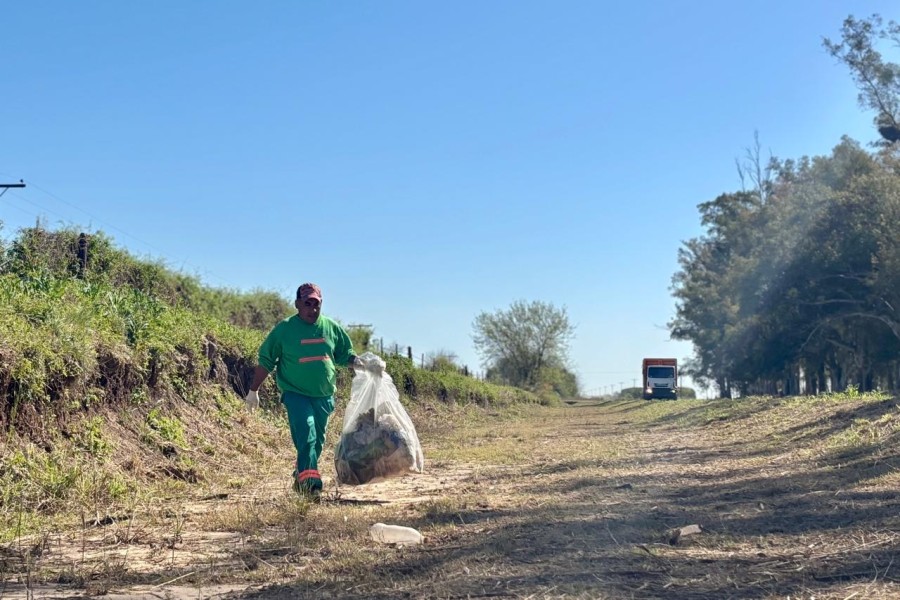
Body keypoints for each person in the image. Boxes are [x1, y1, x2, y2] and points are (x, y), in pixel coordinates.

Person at [244, 282, 359, 500]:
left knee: (317, 442)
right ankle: (311, 486)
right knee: (307, 435)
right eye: (307, 303)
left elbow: (345, 354)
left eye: (316, 304)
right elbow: (266, 360)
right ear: (297, 304)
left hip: (324, 397)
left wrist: (363, 363)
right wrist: (253, 390)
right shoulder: (285, 329)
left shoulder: (331, 328)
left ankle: (301, 474)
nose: (312, 309)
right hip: (296, 394)